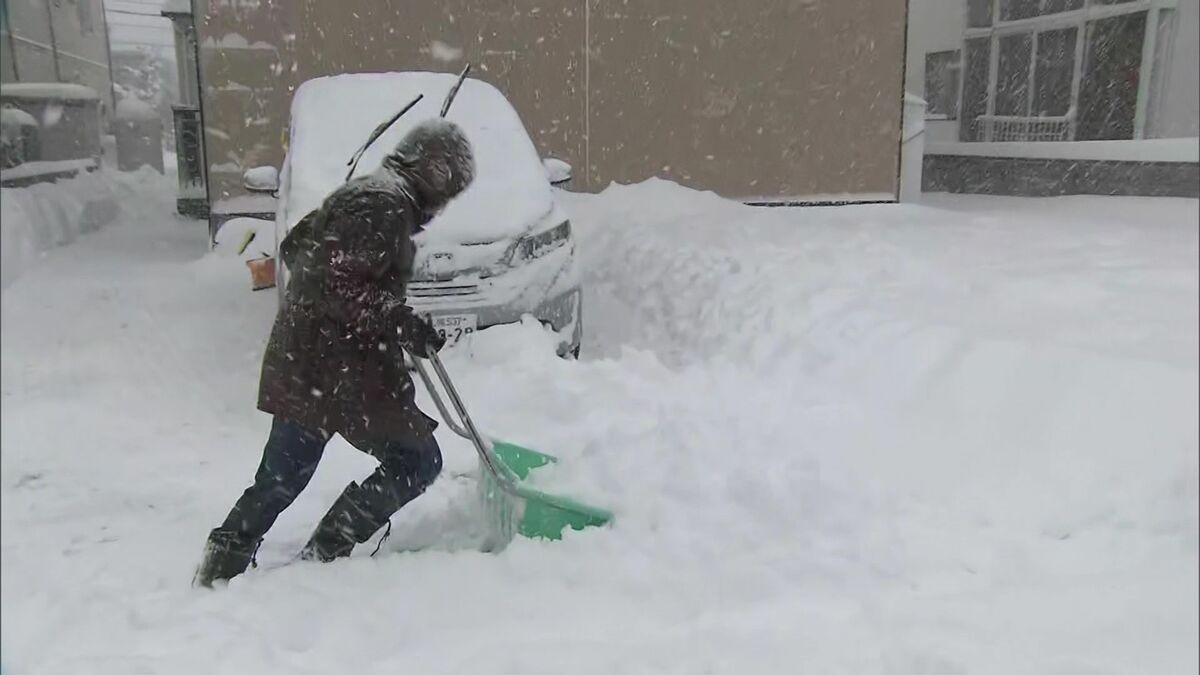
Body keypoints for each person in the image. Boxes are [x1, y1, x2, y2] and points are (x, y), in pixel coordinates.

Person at [193, 118, 475, 587]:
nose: (445, 204)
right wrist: (397, 319)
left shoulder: (371, 193)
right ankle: (323, 553)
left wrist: (382, 310)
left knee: (282, 477)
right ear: (435, 172)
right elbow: (336, 282)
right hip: (335, 371)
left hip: (314, 365)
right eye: (450, 188)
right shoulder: (383, 203)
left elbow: (298, 247)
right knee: (416, 462)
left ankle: (224, 564)